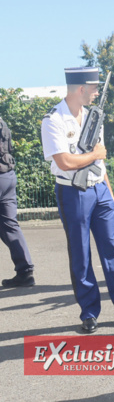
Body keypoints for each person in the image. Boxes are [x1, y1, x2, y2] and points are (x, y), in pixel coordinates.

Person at [41, 66, 114, 333]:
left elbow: (99, 162)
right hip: (72, 192)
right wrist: (97, 154)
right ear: (80, 89)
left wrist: (108, 193)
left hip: (99, 190)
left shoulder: (91, 116)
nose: (97, 93)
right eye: (94, 88)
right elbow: (64, 162)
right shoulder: (53, 119)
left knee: (112, 250)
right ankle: (89, 311)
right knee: (81, 254)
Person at [0, 115, 35, 287]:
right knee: (9, 225)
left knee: (9, 226)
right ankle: (25, 271)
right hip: (7, 176)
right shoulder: (2, 121)